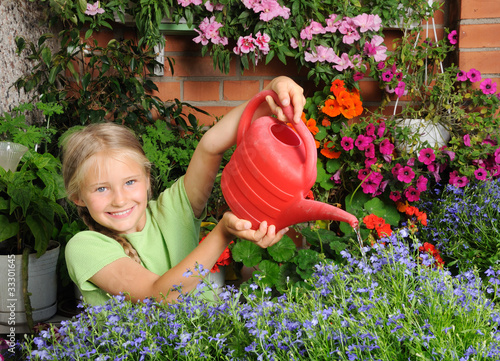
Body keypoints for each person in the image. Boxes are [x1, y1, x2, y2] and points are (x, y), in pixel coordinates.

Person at [62, 76, 306, 305]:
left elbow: (210, 146)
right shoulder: (85, 247)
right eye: (102, 188)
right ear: (78, 197)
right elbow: (158, 295)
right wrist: (222, 233)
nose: (119, 199)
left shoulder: (174, 209)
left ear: (147, 179)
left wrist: (275, 91)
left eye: (129, 182)